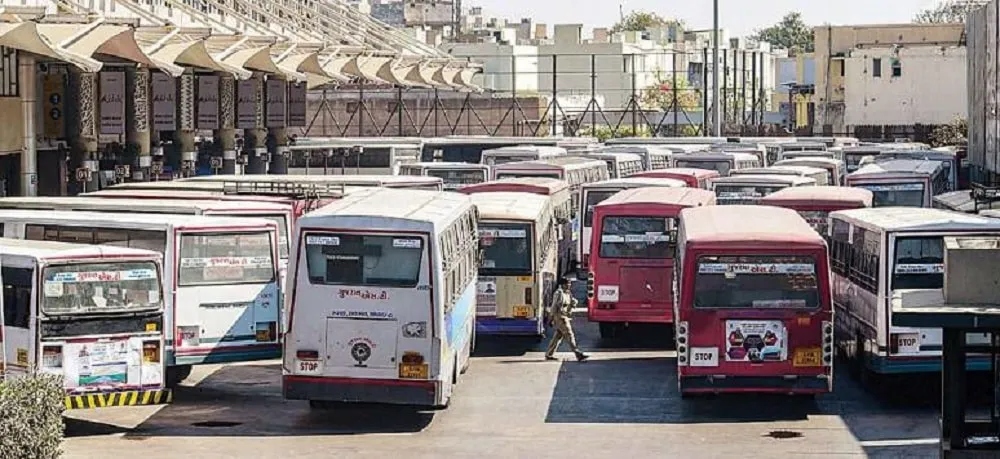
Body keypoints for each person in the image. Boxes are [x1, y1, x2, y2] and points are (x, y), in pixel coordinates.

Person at [544, 277, 589, 362]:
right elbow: (554, 307)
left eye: (569, 284)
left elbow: (572, 301)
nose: (569, 285)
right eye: (567, 284)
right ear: (562, 284)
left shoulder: (568, 293)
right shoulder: (558, 293)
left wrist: (574, 303)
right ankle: (577, 353)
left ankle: (549, 354)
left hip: (565, 316)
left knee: (558, 336)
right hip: (560, 317)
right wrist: (550, 318)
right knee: (569, 334)